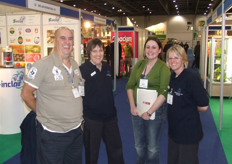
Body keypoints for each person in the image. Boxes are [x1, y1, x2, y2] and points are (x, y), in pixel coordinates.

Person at [21, 27, 84, 164]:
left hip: (75, 131)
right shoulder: (43, 65)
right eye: (63, 38)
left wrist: (80, 121)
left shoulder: (74, 65)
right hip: (52, 134)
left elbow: (78, 91)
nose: (67, 42)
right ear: (54, 41)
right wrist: (40, 112)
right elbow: (26, 94)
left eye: (70, 38)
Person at [126, 37, 171, 164]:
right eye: (147, 47)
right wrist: (132, 106)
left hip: (155, 112)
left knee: (152, 148)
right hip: (137, 110)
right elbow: (129, 86)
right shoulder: (140, 65)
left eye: (154, 47)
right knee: (139, 145)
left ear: (159, 50)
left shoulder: (163, 68)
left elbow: (163, 92)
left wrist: (150, 112)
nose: (150, 50)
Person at [80, 38, 124, 164]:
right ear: (89, 53)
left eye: (100, 50)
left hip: (110, 118)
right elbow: (79, 96)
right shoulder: (83, 70)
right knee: (92, 154)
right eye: (94, 51)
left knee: (116, 152)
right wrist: (82, 119)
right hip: (92, 119)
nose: (98, 54)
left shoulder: (106, 67)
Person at [166, 45, 209, 164]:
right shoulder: (173, 76)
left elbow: (204, 106)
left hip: (188, 134)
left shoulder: (191, 78)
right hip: (174, 132)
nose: (172, 61)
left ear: (183, 59)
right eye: (170, 58)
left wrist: (190, 109)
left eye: (176, 57)